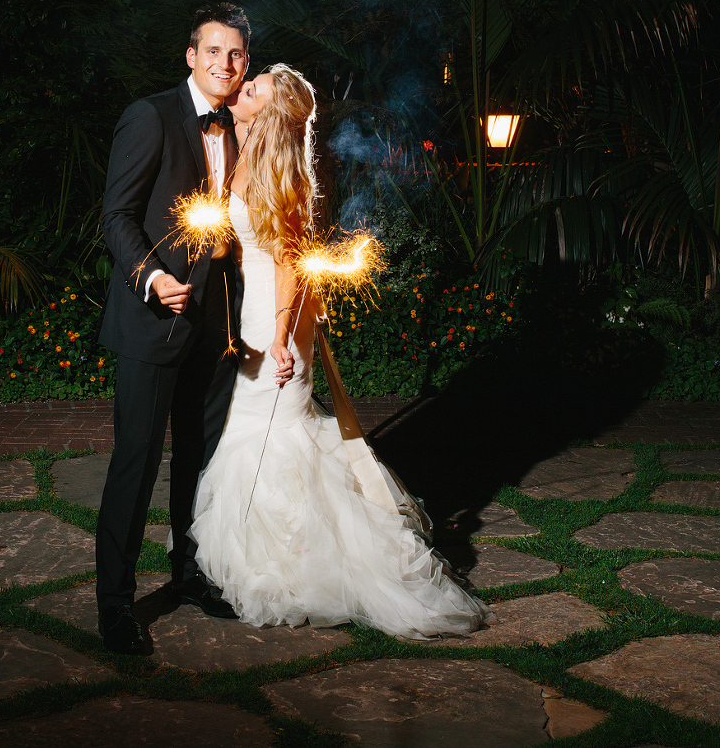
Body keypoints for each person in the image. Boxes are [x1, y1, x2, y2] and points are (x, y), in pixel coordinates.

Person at [189, 65, 493, 639]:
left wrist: (279, 339)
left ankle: (303, 566)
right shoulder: (247, 153)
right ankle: (275, 556)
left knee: (274, 432)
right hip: (255, 311)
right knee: (261, 429)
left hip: (274, 319)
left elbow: (288, 264)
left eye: (251, 89)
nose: (240, 89)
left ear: (269, 113)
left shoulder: (282, 175)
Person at [96, 3, 272, 655]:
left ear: (244, 62)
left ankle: (190, 572)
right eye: (214, 51)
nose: (225, 64)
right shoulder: (151, 115)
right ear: (190, 55)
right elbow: (115, 214)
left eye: (237, 55)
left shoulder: (238, 126)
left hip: (213, 324)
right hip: (152, 320)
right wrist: (149, 276)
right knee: (136, 464)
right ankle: (114, 606)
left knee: (198, 461)